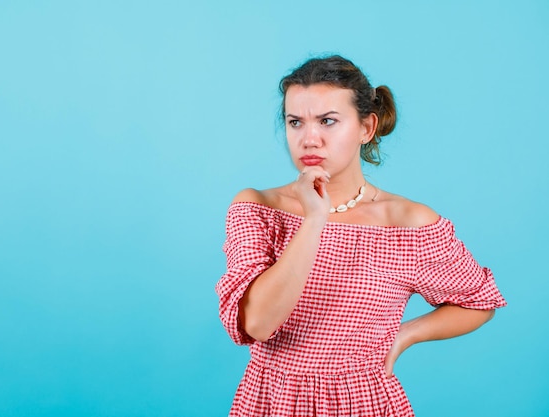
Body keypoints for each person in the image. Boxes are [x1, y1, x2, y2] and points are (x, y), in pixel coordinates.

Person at [215, 55, 506, 417]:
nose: (309, 138)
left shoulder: (406, 224)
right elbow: (257, 324)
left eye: (328, 121)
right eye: (295, 122)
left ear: (366, 128)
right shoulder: (256, 208)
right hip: (272, 401)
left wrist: (405, 335)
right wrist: (315, 219)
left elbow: (479, 302)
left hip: (364, 402)